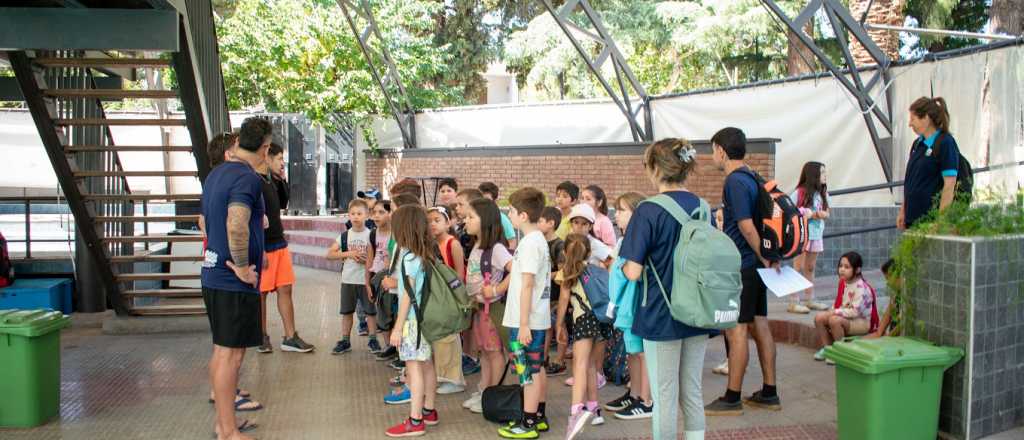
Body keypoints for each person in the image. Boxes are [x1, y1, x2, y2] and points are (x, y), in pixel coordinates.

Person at [618, 138, 714, 440]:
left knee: (665, 395)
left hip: (661, 313)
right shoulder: (704, 207)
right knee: (692, 391)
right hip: (698, 310)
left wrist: (619, 267)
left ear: (656, 168)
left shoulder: (648, 210)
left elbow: (632, 271)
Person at [201, 117, 272, 440]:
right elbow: (236, 224)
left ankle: (223, 422)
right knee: (231, 355)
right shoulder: (247, 178)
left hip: (212, 273)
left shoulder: (217, 173)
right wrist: (243, 266)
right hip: (232, 280)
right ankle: (228, 431)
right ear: (265, 147)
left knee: (223, 351)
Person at [705, 127, 781, 416]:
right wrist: (769, 258)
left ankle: (732, 397)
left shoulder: (735, 181)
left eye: (713, 150)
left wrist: (763, 257)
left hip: (744, 266)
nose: (713, 156)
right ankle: (769, 391)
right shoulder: (752, 176)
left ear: (722, 150)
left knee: (736, 330)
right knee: (759, 324)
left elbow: (747, 226)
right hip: (756, 266)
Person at [499, 187, 552, 439]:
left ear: (521, 215)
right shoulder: (535, 240)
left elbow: (528, 283)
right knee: (536, 367)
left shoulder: (531, 243)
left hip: (526, 321)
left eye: (510, 210)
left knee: (525, 371)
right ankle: (538, 415)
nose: (508, 214)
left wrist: (522, 324)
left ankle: (528, 422)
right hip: (534, 319)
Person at [385, 205, 441, 437]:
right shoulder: (427, 252)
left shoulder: (409, 256)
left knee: (413, 368)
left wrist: (397, 328)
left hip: (412, 322)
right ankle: (429, 411)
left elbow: (407, 294)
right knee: (427, 364)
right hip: (426, 319)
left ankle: (415, 420)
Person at [254, 142, 314, 354]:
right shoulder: (253, 181)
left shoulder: (271, 180)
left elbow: (282, 203)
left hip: (279, 242)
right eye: (278, 159)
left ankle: (290, 336)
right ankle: (260, 335)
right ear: (266, 157)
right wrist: (259, 249)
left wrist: (282, 180)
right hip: (264, 245)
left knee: (285, 288)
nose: (282, 163)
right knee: (261, 293)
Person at [460, 198, 514, 414]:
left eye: (471, 217)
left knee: (494, 353)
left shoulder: (497, 248)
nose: (466, 221)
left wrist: (497, 289)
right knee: (485, 352)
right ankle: (484, 390)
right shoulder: (477, 245)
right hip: (479, 311)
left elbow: (517, 269)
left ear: (487, 221)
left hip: (491, 312)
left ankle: (493, 394)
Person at [603, 191, 653, 421]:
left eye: (622, 210)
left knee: (642, 353)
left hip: (636, 305)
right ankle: (634, 394)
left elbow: (632, 272)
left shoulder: (639, 239)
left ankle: (646, 400)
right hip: (624, 306)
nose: (617, 215)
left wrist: (621, 271)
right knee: (633, 352)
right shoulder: (625, 240)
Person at [557, 234, 610, 440]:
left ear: (564, 252)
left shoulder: (567, 272)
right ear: (589, 252)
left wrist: (559, 324)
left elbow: (563, 301)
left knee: (579, 365)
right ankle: (594, 409)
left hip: (583, 320)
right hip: (601, 320)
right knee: (590, 366)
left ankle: (575, 413)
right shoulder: (598, 269)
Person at [898, 96, 962, 230]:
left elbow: (949, 183)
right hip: (912, 219)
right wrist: (903, 210)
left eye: (913, 119)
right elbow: (911, 182)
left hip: (929, 221)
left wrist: (941, 221)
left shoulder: (945, 143)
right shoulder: (918, 144)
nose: (910, 124)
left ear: (926, 118)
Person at [326, 199, 380, 355]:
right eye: (353, 214)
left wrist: (367, 260)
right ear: (348, 215)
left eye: (359, 214)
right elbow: (329, 254)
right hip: (348, 280)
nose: (356, 217)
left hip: (366, 280)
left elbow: (379, 257)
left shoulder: (371, 235)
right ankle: (345, 340)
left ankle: (373, 339)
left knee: (370, 312)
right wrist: (349, 253)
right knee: (347, 312)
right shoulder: (344, 236)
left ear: (367, 215)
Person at [427, 205, 467, 395]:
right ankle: (442, 376)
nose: (432, 224)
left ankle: (454, 379)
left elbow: (458, 273)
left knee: (450, 339)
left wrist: (456, 297)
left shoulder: (453, 243)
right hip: (438, 296)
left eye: (437, 220)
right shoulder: (430, 243)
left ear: (448, 222)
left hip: (449, 295)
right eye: (429, 221)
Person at [813, 252, 879, 364]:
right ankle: (828, 349)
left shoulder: (861, 288)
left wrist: (834, 312)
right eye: (841, 266)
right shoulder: (844, 282)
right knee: (819, 318)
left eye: (847, 267)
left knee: (834, 320)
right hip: (847, 316)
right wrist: (832, 311)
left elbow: (855, 312)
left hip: (861, 321)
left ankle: (840, 352)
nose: (842, 269)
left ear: (857, 270)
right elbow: (840, 303)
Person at [788, 161, 831, 314]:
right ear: (814, 175)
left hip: (816, 235)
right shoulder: (799, 192)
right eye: (822, 173)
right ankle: (793, 301)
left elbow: (827, 211)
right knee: (797, 267)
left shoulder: (823, 193)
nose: (825, 176)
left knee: (810, 267)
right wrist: (810, 214)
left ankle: (809, 299)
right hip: (801, 234)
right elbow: (789, 211)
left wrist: (822, 214)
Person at [538, 207, 568, 378]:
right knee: (547, 326)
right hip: (545, 295)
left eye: (541, 221)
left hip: (556, 295)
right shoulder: (540, 242)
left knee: (559, 325)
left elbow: (564, 272)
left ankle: (560, 360)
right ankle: (544, 357)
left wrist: (545, 276)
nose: (538, 224)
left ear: (551, 223)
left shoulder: (559, 245)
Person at [370, 200, 399, 361]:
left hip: (392, 279)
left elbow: (391, 258)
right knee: (383, 312)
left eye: (381, 212)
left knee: (394, 314)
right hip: (379, 279)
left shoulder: (395, 233)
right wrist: (368, 282)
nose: (376, 215)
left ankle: (398, 349)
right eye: (374, 212)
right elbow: (370, 258)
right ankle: (389, 346)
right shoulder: (373, 233)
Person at [566, 204, 613, 269]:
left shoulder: (594, 244)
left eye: (584, 224)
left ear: (590, 226)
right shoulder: (569, 240)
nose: (579, 227)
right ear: (571, 224)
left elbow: (612, 260)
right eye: (576, 222)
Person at [864, 259, 900, 339]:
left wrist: (888, 337)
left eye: (889, 278)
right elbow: (888, 312)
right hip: (891, 335)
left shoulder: (907, 297)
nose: (888, 283)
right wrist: (879, 332)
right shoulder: (895, 294)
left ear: (899, 277)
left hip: (898, 338)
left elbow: (903, 323)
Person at [478, 182, 519, 250]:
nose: (482, 203)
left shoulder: (502, 218)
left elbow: (512, 241)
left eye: (487, 200)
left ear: (495, 201)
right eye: (480, 199)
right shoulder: (475, 217)